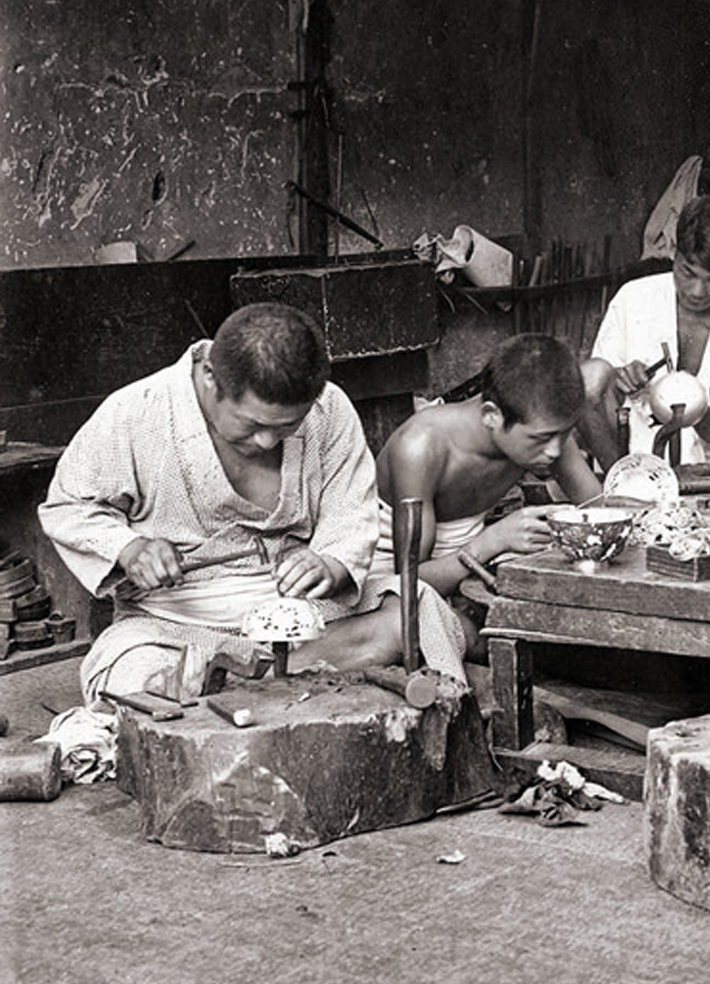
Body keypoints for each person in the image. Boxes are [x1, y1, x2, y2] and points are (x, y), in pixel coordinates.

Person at [39, 302, 419, 704]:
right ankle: (250, 684)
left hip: (305, 620)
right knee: (132, 673)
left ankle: (238, 687)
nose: (268, 442)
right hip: (174, 623)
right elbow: (68, 507)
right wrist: (129, 550)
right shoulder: (138, 412)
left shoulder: (329, 409)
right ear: (209, 378)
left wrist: (331, 564)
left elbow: (351, 515)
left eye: (288, 425)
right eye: (252, 424)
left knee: (409, 618)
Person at [374, 333, 601, 643]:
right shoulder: (421, 448)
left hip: (469, 578)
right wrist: (494, 540)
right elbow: (410, 582)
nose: (554, 452)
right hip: (390, 594)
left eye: (564, 435)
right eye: (542, 439)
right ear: (492, 415)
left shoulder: (544, 434)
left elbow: (601, 511)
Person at [580, 193, 710, 469]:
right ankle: (620, 486)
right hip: (627, 457)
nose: (697, 292)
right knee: (591, 375)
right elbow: (596, 398)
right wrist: (620, 377)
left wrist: (691, 405)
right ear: (674, 253)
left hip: (705, 473)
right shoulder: (633, 298)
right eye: (688, 272)